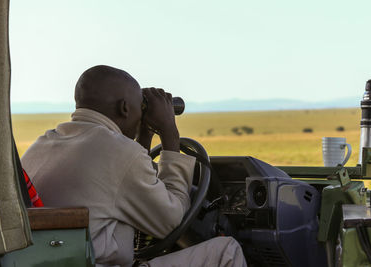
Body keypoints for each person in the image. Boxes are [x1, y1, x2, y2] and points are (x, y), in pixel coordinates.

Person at [21, 65, 247, 267]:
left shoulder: (41, 145)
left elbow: (122, 179)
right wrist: (170, 133)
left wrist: (144, 135)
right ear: (125, 108)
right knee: (226, 250)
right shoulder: (118, 152)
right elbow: (170, 221)